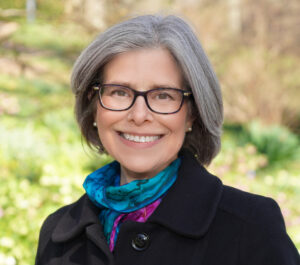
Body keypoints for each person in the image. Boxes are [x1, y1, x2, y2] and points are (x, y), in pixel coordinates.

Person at [35, 14, 300, 265]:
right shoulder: (58, 232)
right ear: (93, 107)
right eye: (119, 92)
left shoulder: (250, 227)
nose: (139, 115)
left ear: (191, 114)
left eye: (163, 95)